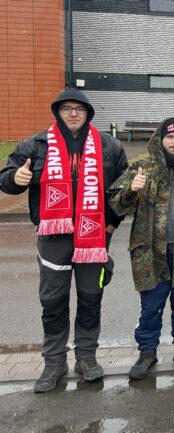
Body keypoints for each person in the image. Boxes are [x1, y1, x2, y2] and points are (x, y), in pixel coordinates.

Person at [0, 88, 127, 392]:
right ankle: (54, 363)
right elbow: (5, 176)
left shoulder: (109, 147)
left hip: (94, 238)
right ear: (57, 111)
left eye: (79, 108)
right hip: (53, 238)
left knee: (90, 299)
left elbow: (123, 193)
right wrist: (14, 180)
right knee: (53, 302)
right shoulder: (36, 145)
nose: (73, 113)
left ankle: (86, 358)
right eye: (66, 108)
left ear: (88, 113)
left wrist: (110, 227)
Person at [109, 118, 174, 379]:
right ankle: (147, 352)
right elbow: (115, 205)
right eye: (171, 138)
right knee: (151, 306)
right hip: (150, 252)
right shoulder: (142, 169)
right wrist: (131, 191)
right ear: (161, 140)